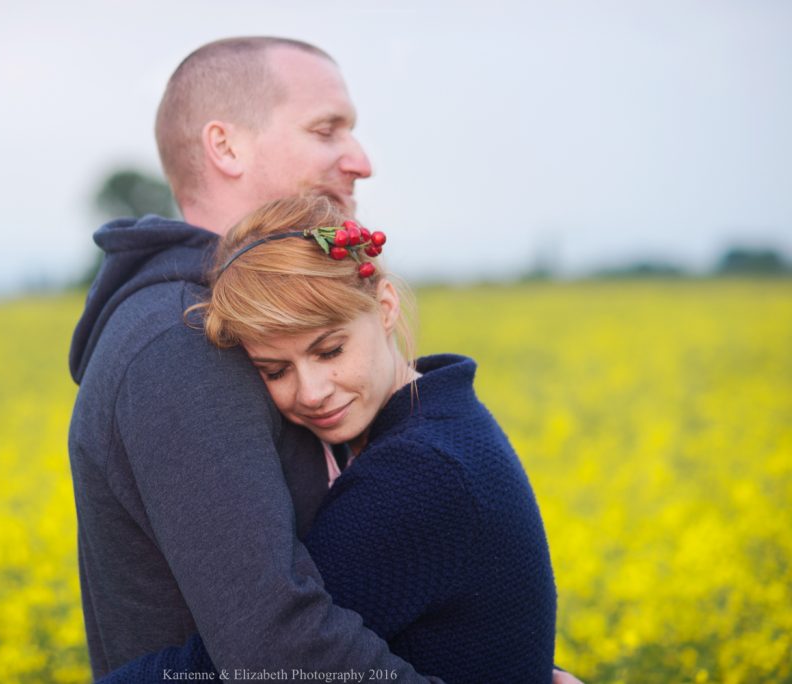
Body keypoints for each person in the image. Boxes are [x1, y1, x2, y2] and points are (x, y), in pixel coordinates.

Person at [69, 36, 582, 684]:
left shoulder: (255, 320)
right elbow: (276, 647)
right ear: (225, 146)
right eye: (326, 129)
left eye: (326, 350)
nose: (360, 161)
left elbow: (381, 590)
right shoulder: (182, 339)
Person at [99, 195, 560, 683]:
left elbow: (274, 659)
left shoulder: (418, 473)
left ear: (384, 307)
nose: (312, 392)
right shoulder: (447, 422)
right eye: (275, 372)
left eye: (330, 349)